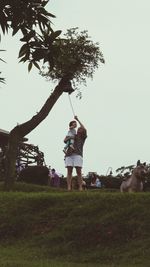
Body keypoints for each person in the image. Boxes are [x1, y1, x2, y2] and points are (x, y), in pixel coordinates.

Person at [64, 116, 87, 191]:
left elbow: (84, 128)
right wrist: (70, 138)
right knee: (69, 171)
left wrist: (78, 120)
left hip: (78, 154)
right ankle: (69, 187)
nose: (79, 129)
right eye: (78, 128)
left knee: (79, 171)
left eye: (80, 129)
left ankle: (80, 187)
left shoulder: (82, 137)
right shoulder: (73, 134)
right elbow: (64, 140)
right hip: (69, 154)